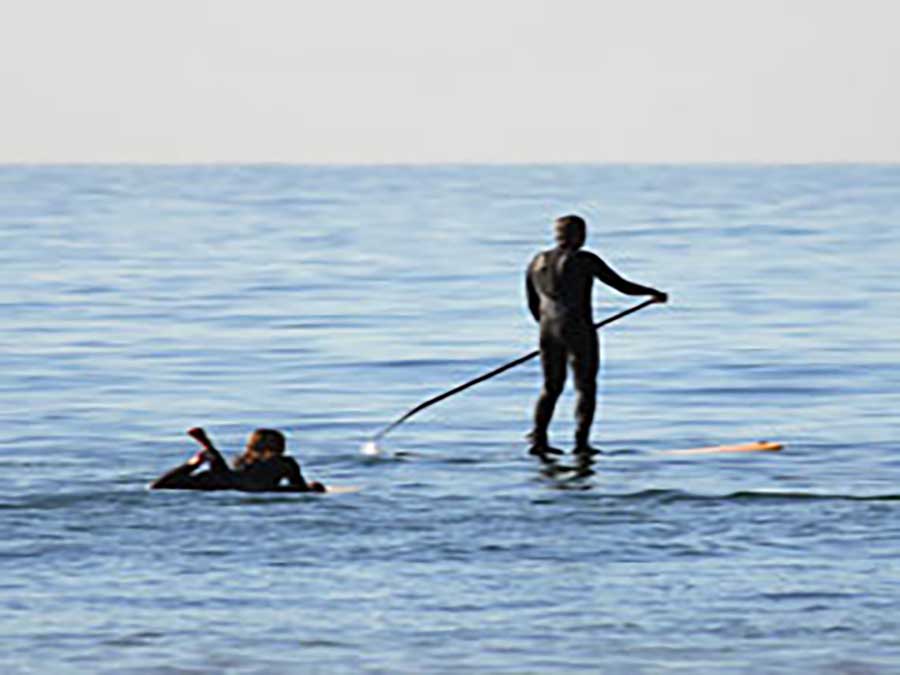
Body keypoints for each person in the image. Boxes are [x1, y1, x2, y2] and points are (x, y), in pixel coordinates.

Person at [525, 214, 667, 457]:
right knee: (585, 387)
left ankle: (538, 439)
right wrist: (653, 293)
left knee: (551, 387)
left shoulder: (537, 261)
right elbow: (621, 285)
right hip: (577, 328)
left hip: (547, 330)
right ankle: (581, 444)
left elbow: (532, 303)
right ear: (577, 235)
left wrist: (549, 327)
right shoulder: (584, 259)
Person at [150, 427, 326, 492]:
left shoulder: (241, 460)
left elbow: (157, 486)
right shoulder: (286, 463)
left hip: (228, 482)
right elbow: (300, 487)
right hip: (255, 487)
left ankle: (204, 455)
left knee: (160, 485)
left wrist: (192, 465)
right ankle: (210, 451)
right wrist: (315, 488)